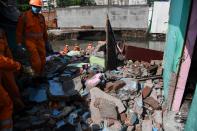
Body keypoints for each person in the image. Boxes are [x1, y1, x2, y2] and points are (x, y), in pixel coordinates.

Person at [16, 0, 48, 76]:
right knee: (36, 61)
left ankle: (41, 74)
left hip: (40, 41)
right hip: (30, 42)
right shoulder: (24, 16)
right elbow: (19, 31)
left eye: (39, 7)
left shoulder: (41, 17)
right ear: (31, 6)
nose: (37, 8)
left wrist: (46, 41)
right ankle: (36, 76)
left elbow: (44, 30)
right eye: (36, 7)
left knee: (43, 59)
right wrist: (19, 43)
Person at [0, 28, 22, 131]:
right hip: (6, 66)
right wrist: (17, 66)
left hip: (6, 68)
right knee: (5, 104)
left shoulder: (3, 35)